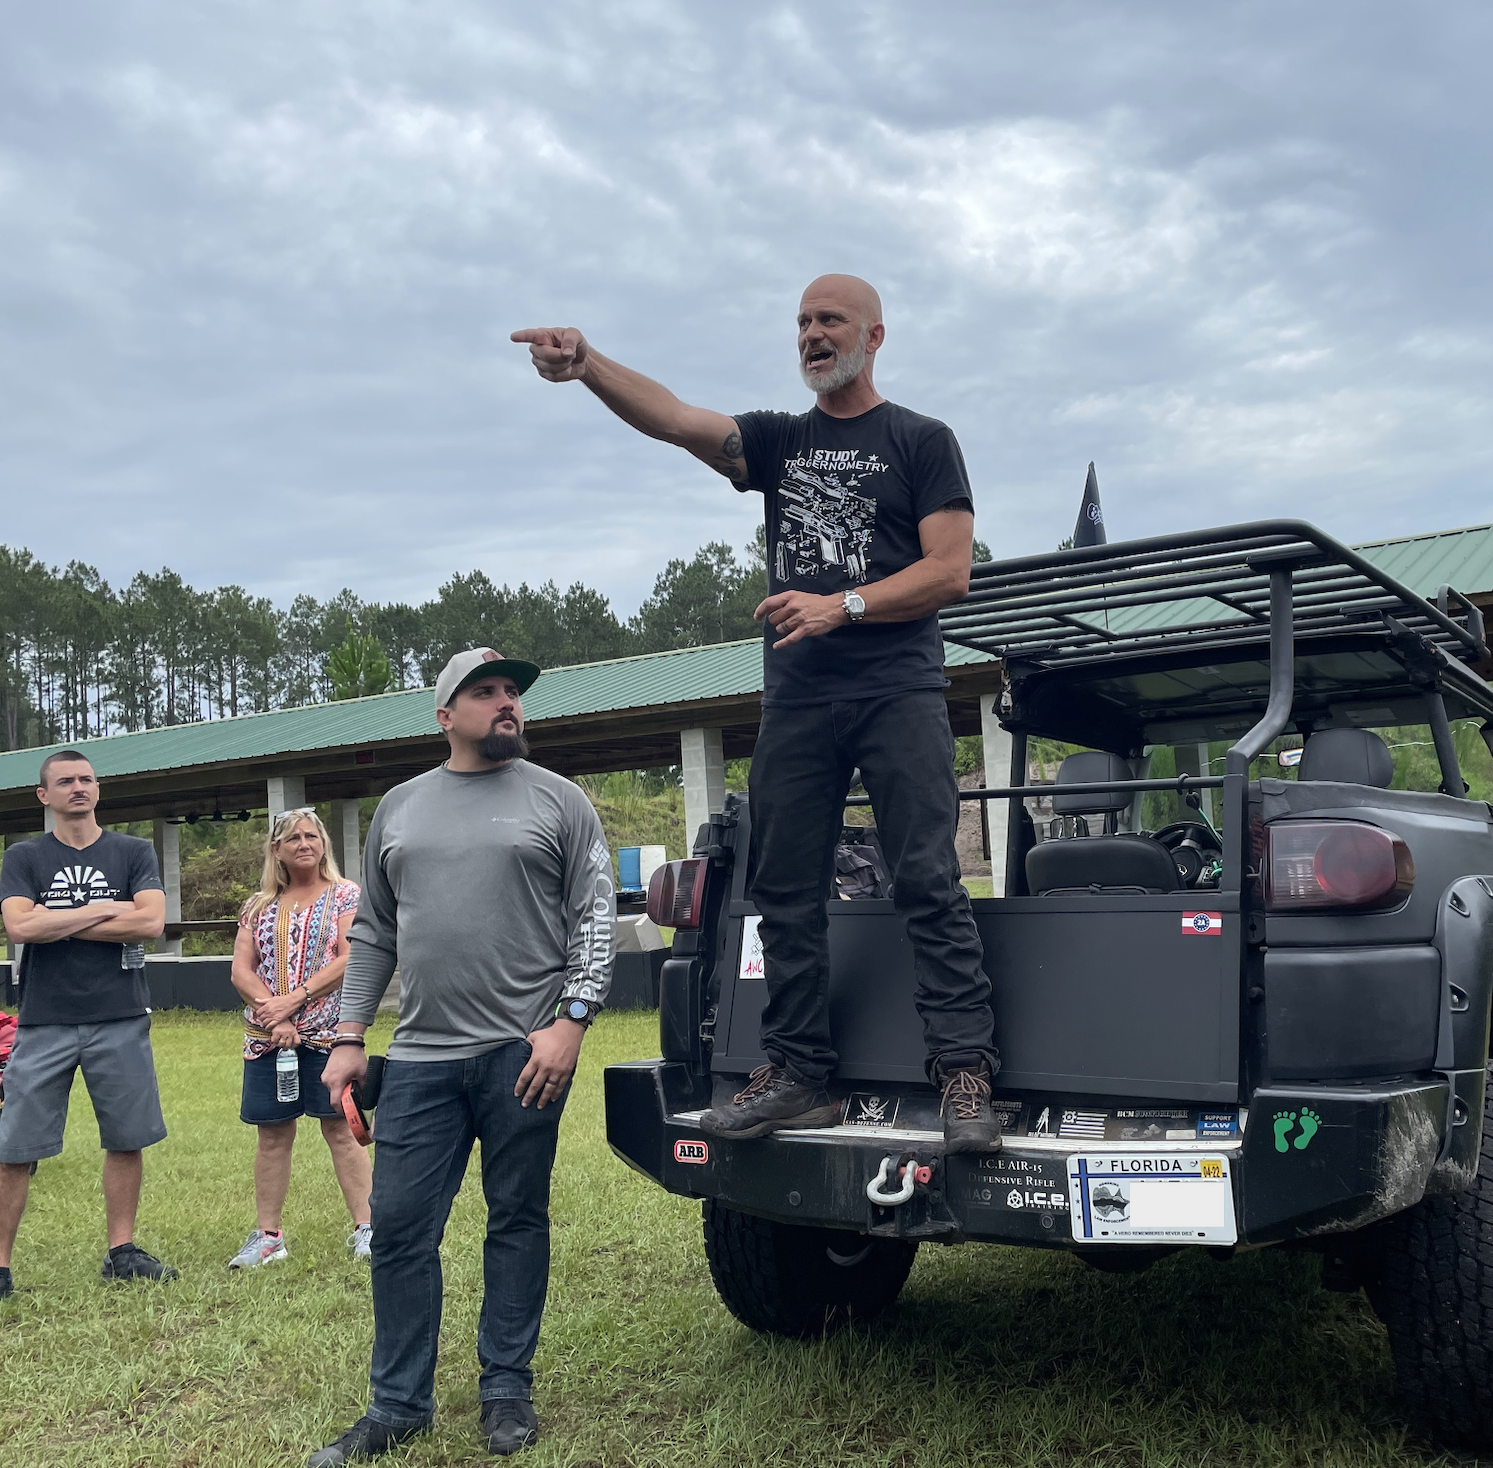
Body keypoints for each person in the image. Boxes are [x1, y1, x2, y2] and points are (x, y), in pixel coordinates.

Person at [510, 273, 1003, 1155]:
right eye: (803, 323)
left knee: (928, 879)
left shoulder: (922, 440)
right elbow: (673, 417)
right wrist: (588, 365)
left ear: (874, 336)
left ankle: (965, 1074)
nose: (813, 334)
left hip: (898, 691)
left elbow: (950, 571)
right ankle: (799, 1074)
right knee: (783, 890)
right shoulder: (781, 441)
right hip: (801, 702)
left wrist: (839, 604)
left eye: (831, 321)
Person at [306, 648, 614, 1466]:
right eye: (486, 693)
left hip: (524, 1054)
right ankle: (398, 1405)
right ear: (445, 715)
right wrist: (345, 1038)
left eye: (512, 692)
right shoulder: (400, 808)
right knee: (401, 1228)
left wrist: (572, 1020)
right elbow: (374, 929)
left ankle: (506, 1389)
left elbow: (593, 915)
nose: (506, 703)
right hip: (418, 1062)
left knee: (517, 1219)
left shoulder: (560, 801)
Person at [0, 750, 173, 1317]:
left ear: (97, 789)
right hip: (45, 1020)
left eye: (86, 779)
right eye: (65, 781)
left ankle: (121, 1251)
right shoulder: (25, 855)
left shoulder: (132, 851)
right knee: (14, 1148)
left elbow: (150, 922)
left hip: (120, 1017)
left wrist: (60, 922)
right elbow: (19, 925)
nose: (78, 788)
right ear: (44, 795)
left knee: (125, 1139)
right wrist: (104, 908)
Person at [225, 806, 372, 1270]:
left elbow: (350, 958)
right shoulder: (258, 905)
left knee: (341, 1129)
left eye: (312, 836)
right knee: (272, 1136)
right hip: (268, 1040)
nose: (304, 844)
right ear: (277, 850)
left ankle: (368, 1228)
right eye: (293, 839)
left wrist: (296, 1000)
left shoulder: (346, 895)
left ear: (324, 844)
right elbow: (241, 970)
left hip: (330, 1036)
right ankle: (268, 1237)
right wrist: (277, 1017)